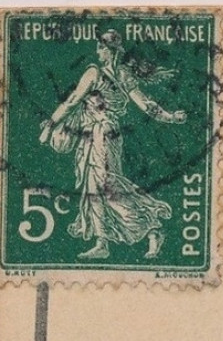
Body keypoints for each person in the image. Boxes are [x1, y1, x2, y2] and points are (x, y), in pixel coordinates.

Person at [38, 31, 187, 260]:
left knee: (104, 186)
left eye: (100, 48)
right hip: (105, 135)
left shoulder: (93, 73)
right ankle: (104, 242)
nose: (98, 52)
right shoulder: (124, 75)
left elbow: (72, 101)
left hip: (100, 135)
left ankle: (151, 227)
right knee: (95, 188)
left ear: (108, 50)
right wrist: (171, 117)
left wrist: (50, 123)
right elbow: (147, 105)